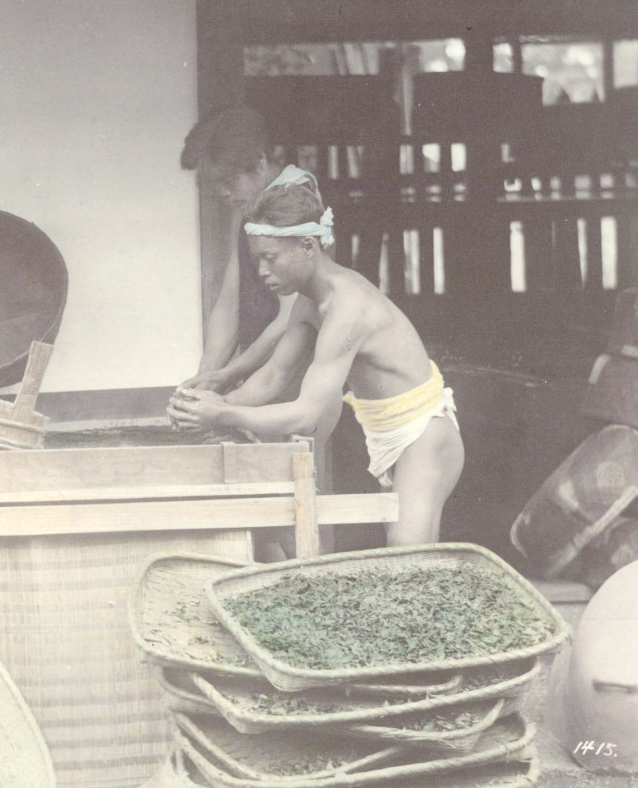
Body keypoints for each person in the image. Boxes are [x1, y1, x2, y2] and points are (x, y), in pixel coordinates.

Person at [169, 181, 464, 546]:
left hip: (425, 436)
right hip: (385, 435)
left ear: (308, 247)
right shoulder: (310, 303)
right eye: (257, 258)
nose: (261, 270)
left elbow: (308, 414)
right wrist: (201, 407)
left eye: (270, 257)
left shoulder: (348, 307)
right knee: (412, 568)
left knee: (409, 562)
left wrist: (221, 414)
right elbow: (273, 377)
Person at [177, 106, 320, 396]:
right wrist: (203, 381)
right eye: (216, 185)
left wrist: (227, 376)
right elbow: (229, 303)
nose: (223, 193)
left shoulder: (297, 198)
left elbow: (290, 319)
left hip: (297, 372)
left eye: (229, 182)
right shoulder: (250, 204)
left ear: (259, 163)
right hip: (256, 369)